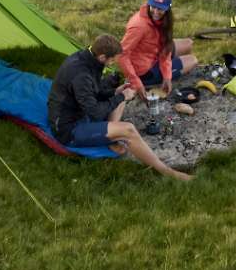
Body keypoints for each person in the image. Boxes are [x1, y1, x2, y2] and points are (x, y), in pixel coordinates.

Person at [47, 34, 193, 181]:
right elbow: (96, 113)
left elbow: (93, 92)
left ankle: (113, 139)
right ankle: (168, 172)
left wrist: (115, 92)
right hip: (69, 129)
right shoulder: (81, 75)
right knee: (128, 129)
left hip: (80, 110)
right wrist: (122, 97)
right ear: (103, 56)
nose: (114, 63)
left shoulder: (88, 58)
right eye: (112, 60)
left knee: (120, 96)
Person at [118, 0, 198, 100]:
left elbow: (165, 48)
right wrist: (136, 82)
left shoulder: (164, 20)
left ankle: (172, 68)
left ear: (168, 8)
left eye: (160, 8)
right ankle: (150, 81)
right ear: (149, 3)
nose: (155, 12)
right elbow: (121, 54)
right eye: (153, 6)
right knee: (193, 60)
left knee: (188, 43)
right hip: (144, 71)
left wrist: (167, 76)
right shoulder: (139, 26)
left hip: (153, 52)